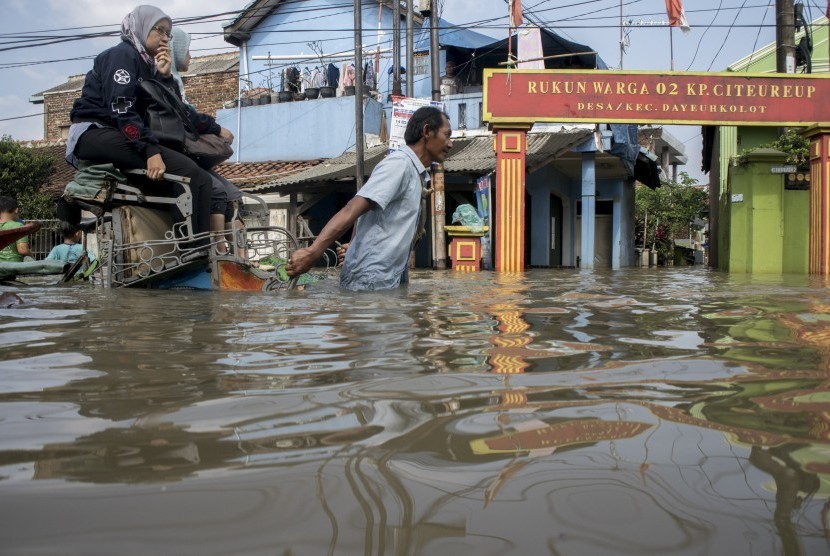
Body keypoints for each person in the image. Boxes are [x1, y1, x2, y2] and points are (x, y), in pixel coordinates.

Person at [66, 5, 234, 247]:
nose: (166, 37)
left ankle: (189, 249)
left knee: (189, 180)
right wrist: (150, 151)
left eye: (169, 33)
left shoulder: (148, 65)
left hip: (119, 135)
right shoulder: (122, 55)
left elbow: (171, 111)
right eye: (160, 30)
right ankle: (194, 251)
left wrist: (164, 77)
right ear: (142, 28)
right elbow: (122, 108)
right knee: (193, 176)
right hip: (95, 133)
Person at [286, 106, 453, 291]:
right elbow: (353, 208)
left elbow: (369, 207)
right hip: (371, 278)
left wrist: (356, 242)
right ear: (427, 131)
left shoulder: (415, 172)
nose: (450, 143)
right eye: (447, 135)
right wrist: (313, 252)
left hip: (388, 276)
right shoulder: (399, 165)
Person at [169, 27, 242, 255]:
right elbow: (187, 116)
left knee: (233, 194)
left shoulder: (176, 82)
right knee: (217, 190)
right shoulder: (168, 81)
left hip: (190, 157)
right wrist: (217, 129)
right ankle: (219, 252)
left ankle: (241, 257)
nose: (190, 57)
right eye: (187, 51)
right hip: (176, 153)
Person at [0, 196, 34, 263]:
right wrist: (32, 257)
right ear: (16, 210)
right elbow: (23, 249)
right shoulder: (19, 226)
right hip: (14, 267)